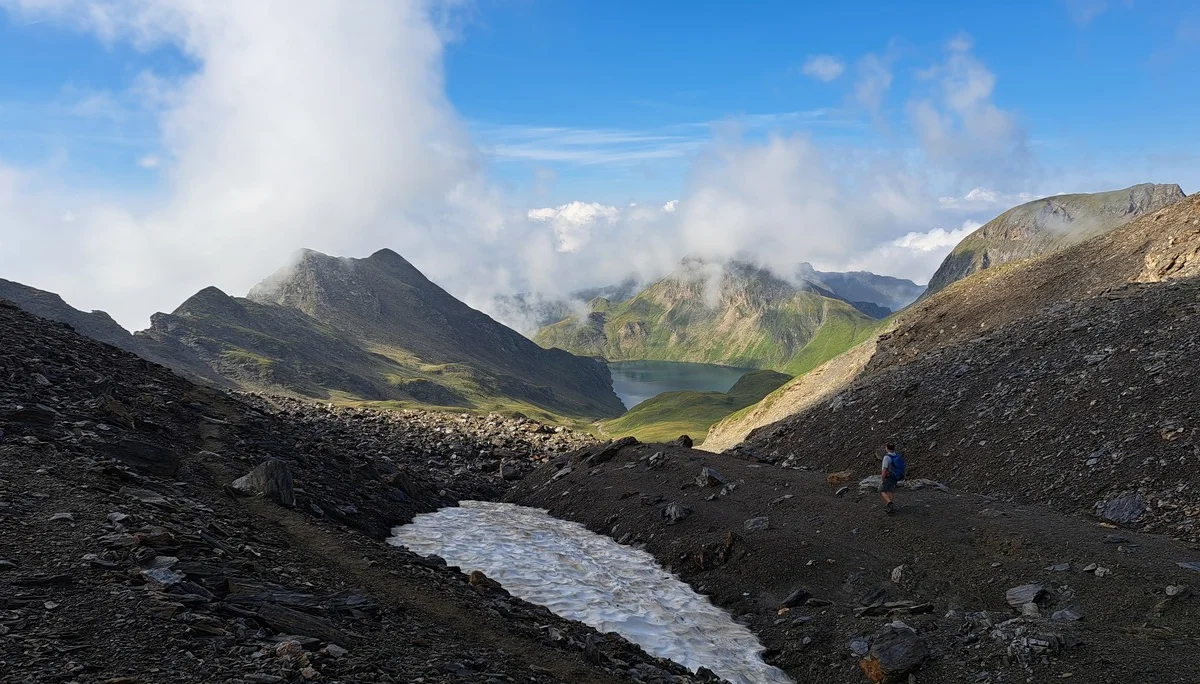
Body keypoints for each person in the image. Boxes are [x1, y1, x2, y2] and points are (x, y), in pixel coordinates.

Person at [879, 443, 902, 514]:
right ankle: (890, 508)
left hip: (888, 476)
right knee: (890, 491)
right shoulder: (896, 455)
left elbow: (885, 469)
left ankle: (889, 503)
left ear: (887, 448)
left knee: (881, 490)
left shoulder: (887, 457)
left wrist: (882, 478)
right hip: (895, 476)